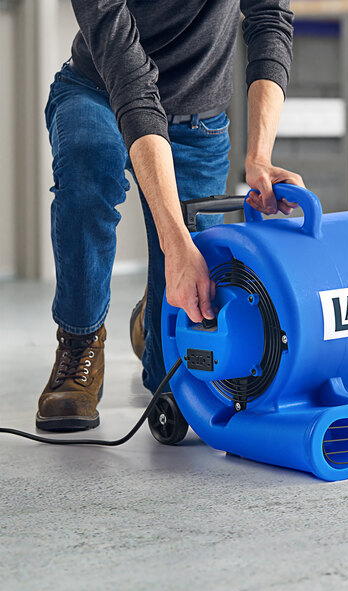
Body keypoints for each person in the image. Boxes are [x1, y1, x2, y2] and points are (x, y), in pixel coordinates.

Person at [36, 0, 303, 432]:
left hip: (198, 121)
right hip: (100, 90)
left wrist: (259, 155)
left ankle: (151, 321)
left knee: (177, 365)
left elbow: (269, 17)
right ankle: (80, 343)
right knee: (90, 167)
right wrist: (173, 240)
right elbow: (131, 81)